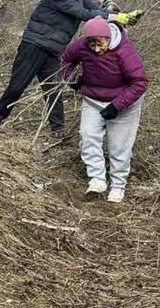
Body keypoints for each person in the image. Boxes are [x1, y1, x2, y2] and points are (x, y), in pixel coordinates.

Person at [0, 0, 118, 136]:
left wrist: (116, 16)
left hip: (53, 50)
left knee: (53, 89)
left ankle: (58, 130)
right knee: (17, 86)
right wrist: (113, 16)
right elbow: (83, 14)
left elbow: (93, 10)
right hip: (34, 46)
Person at [61, 17, 148, 200]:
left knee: (119, 146)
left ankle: (118, 185)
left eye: (100, 44)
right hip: (93, 99)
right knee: (88, 137)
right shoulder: (81, 46)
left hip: (123, 104)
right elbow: (66, 60)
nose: (96, 49)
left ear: (108, 38)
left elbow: (140, 83)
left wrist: (117, 106)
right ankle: (97, 179)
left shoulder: (124, 52)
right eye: (92, 44)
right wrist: (73, 80)